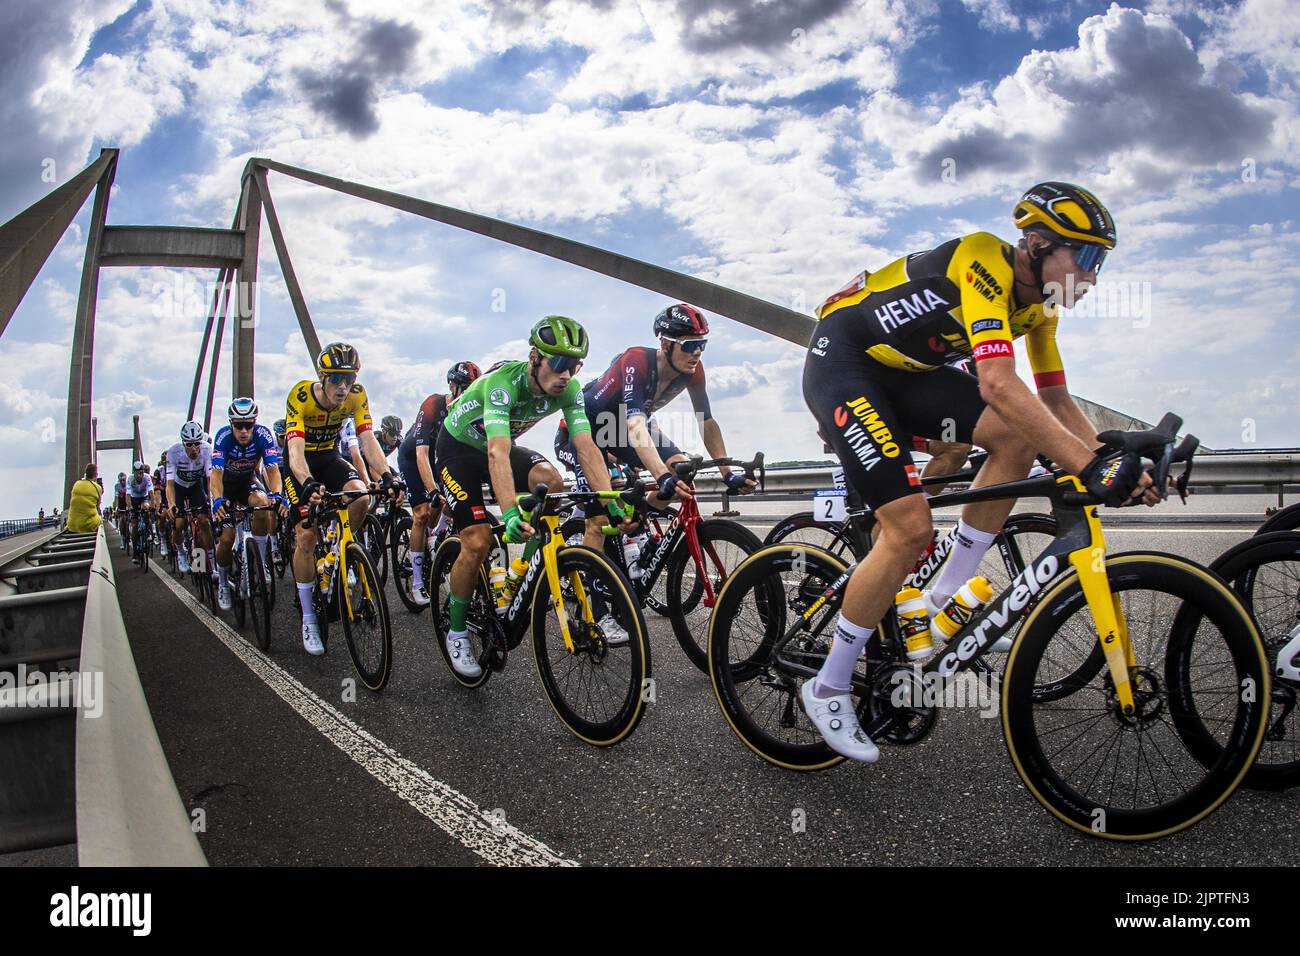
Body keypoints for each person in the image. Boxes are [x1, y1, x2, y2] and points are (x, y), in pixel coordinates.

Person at [799, 181, 1156, 763]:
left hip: (908, 374)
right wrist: (1088, 464)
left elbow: (1058, 403)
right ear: (1038, 245)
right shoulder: (983, 259)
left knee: (1013, 437)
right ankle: (829, 685)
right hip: (844, 364)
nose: (1093, 275)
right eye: (1087, 257)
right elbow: (997, 383)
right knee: (909, 530)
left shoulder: (1038, 307)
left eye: (1101, 261)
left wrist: (1116, 463)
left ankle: (942, 601)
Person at [437, 316, 632, 675]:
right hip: (459, 449)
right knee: (478, 541)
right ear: (535, 358)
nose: (566, 375)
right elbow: (496, 451)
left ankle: (521, 570)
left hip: (499, 445)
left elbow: (586, 445)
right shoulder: (502, 386)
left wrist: (611, 502)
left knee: (552, 482)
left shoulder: (570, 391)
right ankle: (457, 630)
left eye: (574, 366)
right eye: (558, 364)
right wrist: (510, 511)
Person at [555, 303, 756, 552]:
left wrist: (727, 473)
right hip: (583, 434)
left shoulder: (693, 371)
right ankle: (590, 581)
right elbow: (635, 424)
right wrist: (661, 476)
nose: (697, 353)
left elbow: (706, 420)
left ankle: (638, 526)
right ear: (665, 344)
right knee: (599, 519)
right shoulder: (636, 360)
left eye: (702, 345)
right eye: (690, 345)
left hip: (618, 433)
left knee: (682, 473)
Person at [283, 342, 404, 655]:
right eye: (336, 379)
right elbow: (295, 450)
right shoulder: (301, 396)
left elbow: (367, 439)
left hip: (328, 457)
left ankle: (342, 549)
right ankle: (309, 616)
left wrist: (388, 475)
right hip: (301, 463)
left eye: (348, 379)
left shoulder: (357, 395)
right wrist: (306, 482)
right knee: (306, 535)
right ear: (323, 377)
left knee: (361, 496)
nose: (343, 387)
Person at [396, 360, 480, 605]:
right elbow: (421, 453)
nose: (467, 395)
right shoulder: (433, 404)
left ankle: (436, 534)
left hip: (439, 456)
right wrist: (432, 489)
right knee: (422, 514)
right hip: (413, 456)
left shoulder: (467, 410)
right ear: (452, 386)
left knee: (453, 500)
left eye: (472, 390)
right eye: (464, 389)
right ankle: (418, 581)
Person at [210, 398, 287, 611]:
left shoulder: (263, 435)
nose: (244, 431)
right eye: (238, 425)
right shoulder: (223, 437)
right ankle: (224, 583)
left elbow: (272, 471)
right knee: (226, 539)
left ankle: (260, 563)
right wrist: (217, 499)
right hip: (225, 487)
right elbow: (216, 474)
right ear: (231, 424)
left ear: (254, 423)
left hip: (246, 482)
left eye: (248, 425)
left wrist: (277, 494)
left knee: (263, 503)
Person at [167, 421, 216, 576]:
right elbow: (169, 485)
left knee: (204, 521)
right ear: (183, 443)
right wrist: (171, 504)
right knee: (179, 523)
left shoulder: (207, 450)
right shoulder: (173, 452)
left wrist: (213, 501)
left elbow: (210, 481)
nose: (194, 449)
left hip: (196, 487)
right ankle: (181, 552)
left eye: (197, 444)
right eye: (189, 445)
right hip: (179, 488)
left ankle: (210, 562)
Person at [66, 464, 102, 533]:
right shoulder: (98, 488)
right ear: (96, 475)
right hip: (88, 525)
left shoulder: (76, 484)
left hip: (72, 525)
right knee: (99, 520)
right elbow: (97, 505)